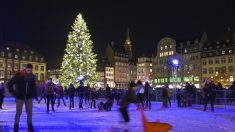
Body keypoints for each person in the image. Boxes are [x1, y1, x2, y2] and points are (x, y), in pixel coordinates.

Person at [7, 64, 37, 132]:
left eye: (30, 70)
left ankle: (30, 126)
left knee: (29, 112)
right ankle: (16, 126)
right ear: (25, 69)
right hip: (20, 96)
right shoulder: (19, 75)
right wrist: (14, 93)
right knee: (18, 112)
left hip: (29, 97)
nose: (29, 71)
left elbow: (33, 86)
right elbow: (9, 83)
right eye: (28, 70)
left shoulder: (32, 77)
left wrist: (34, 94)